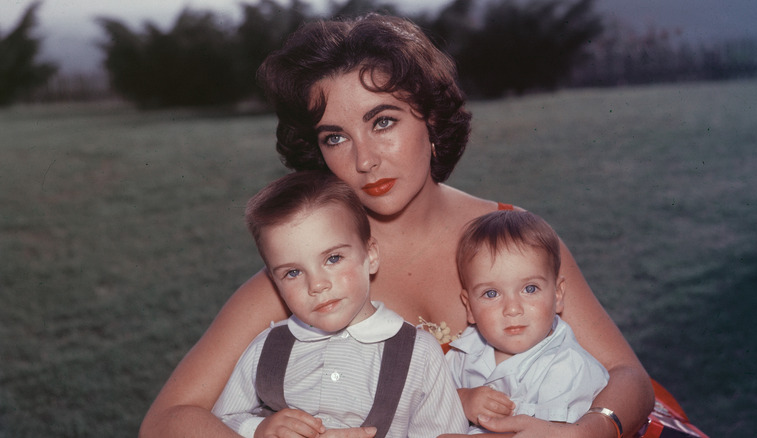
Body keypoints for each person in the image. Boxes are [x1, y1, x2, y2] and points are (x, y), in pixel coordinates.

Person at [140, 13, 654, 438]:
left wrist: (593, 430)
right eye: (335, 137)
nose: (365, 160)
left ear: (430, 120)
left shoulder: (510, 236)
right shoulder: (304, 275)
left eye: (382, 121)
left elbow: (628, 376)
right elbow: (165, 421)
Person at [211, 170, 467, 438]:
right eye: (293, 273)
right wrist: (258, 429)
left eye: (333, 259)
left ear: (371, 255)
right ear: (276, 282)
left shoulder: (419, 353)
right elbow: (219, 419)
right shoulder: (266, 348)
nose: (317, 285)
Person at [446, 210, 609, 435]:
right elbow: (426, 401)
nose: (512, 309)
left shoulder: (568, 368)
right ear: (469, 307)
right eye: (491, 294)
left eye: (529, 289)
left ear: (558, 295)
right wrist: (460, 399)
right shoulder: (463, 352)